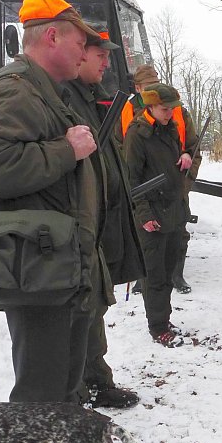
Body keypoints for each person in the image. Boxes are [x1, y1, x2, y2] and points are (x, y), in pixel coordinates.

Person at [0, 0, 102, 443]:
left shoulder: (49, 91)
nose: (85, 52)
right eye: (79, 41)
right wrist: (66, 151)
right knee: (41, 386)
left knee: (65, 377)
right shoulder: (16, 88)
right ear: (52, 35)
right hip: (35, 269)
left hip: (58, 266)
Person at [63, 30, 145, 408]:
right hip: (79, 226)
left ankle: (95, 382)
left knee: (94, 306)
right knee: (82, 310)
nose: (106, 62)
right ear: (80, 55)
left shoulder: (94, 99)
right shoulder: (66, 100)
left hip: (99, 222)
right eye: (100, 54)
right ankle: (83, 389)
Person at [124, 83, 193, 346]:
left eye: (172, 109)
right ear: (150, 107)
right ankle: (157, 326)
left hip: (173, 210)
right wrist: (144, 214)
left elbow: (176, 157)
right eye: (165, 109)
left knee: (168, 270)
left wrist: (185, 155)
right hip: (152, 215)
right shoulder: (137, 134)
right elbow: (131, 179)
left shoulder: (170, 128)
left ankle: (164, 318)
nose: (170, 113)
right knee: (154, 275)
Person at [121, 64, 198, 294]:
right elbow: (119, 151)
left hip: (175, 187)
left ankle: (176, 275)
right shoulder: (126, 112)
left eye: (155, 84)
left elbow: (193, 148)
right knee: (144, 235)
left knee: (179, 234)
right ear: (137, 88)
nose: (152, 90)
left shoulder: (177, 111)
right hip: (144, 190)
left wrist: (185, 181)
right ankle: (143, 277)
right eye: (147, 86)